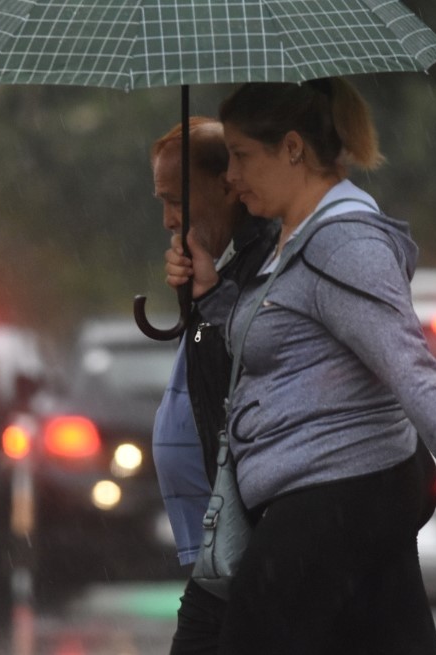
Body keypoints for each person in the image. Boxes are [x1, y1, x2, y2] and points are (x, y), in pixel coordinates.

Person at [164, 78, 436, 654]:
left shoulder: (345, 245)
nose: (230, 178)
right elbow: (277, 339)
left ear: (292, 148)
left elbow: (411, 372)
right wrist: (211, 293)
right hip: (344, 493)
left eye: (241, 157)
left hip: (334, 493)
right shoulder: (298, 239)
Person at [149, 117, 278, 654]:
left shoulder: (269, 258)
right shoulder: (228, 261)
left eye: (173, 199)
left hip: (249, 522)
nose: (167, 219)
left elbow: (261, 357)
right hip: (224, 528)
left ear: (226, 183)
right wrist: (201, 289)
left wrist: (214, 293)